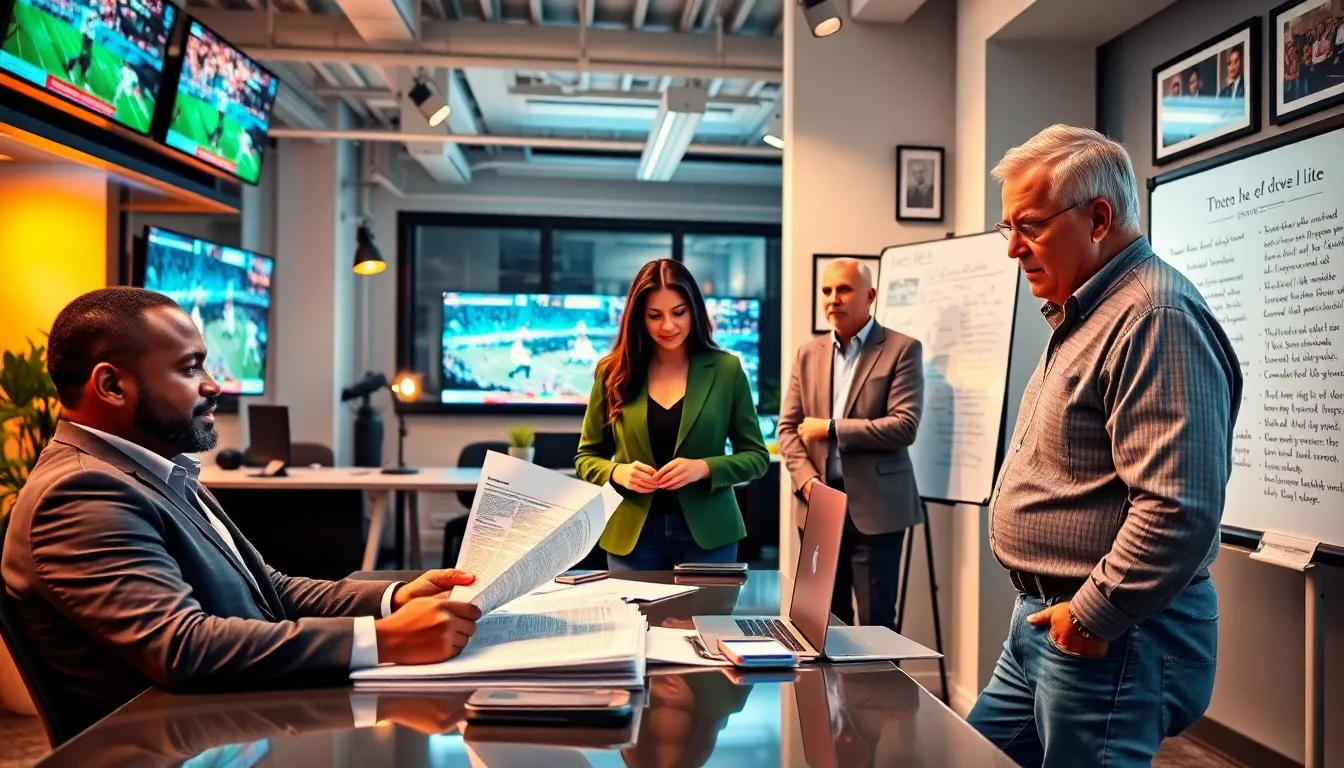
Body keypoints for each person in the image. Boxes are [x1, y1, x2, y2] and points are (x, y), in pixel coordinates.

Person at [1, 287, 484, 735]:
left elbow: (268, 590)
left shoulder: (154, 470)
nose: (213, 386)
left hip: (233, 718)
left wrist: (394, 599)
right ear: (110, 385)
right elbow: (183, 647)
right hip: (184, 743)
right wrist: (384, 640)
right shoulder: (82, 493)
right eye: (190, 369)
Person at [967, 125, 1241, 767]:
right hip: (1044, 620)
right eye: (1009, 228)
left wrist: (1090, 617)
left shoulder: (1154, 317)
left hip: (1111, 635)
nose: (1013, 249)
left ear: (1098, 217)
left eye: (1029, 225)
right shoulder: (1089, 312)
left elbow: (1178, 510)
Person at [575, 259, 768, 570]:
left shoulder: (726, 369)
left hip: (710, 538)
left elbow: (756, 457)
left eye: (678, 312)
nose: (668, 326)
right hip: (632, 538)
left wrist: (703, 468)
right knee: (633, 620)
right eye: (655, 315)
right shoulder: (611, 373)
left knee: (705, 621)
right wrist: (617, 473)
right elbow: (586, 458)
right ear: (639, 318)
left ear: (694, 310)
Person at [776, 258, 924, 631]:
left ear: (870, 295)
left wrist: (832, 428)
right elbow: (788, 430)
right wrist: (807, 482)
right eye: (827, 291)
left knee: (876, 624)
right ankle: (828, 693)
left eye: (843, 289)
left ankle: (878, 693)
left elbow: (904, 426)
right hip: (818, 502)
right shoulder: (806, 354)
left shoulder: (902, 349)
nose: (832, 299)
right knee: (823, 622)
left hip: (876, 508)